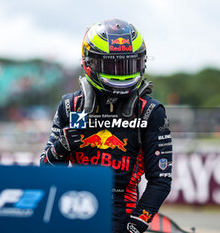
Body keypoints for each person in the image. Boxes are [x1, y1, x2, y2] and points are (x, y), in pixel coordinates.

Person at [40, 19, 172, 233]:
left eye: (127, 64)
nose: (120, 72)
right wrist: (61, 148)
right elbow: (46, 168)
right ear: (89, 62)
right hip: (75, 207)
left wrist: (138, 222)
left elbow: (161, 180)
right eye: (112, 64)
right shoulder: (71, 106)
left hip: (124, 212)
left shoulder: (150, 111)